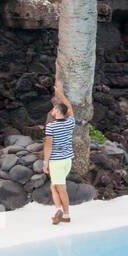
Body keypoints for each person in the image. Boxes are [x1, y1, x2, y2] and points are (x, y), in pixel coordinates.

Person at [43, 81, 76, 226]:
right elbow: (69, 107)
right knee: (55, 186)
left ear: (58, 112)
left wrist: (45, 163)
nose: (53, 109)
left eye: (55, 108)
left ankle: (64, 213)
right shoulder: (70, 122)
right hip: (67, 160)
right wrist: (60, 93)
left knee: (59, 187)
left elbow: (48, 145)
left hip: (56, 161)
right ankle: (59, 211)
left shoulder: (51, 126)